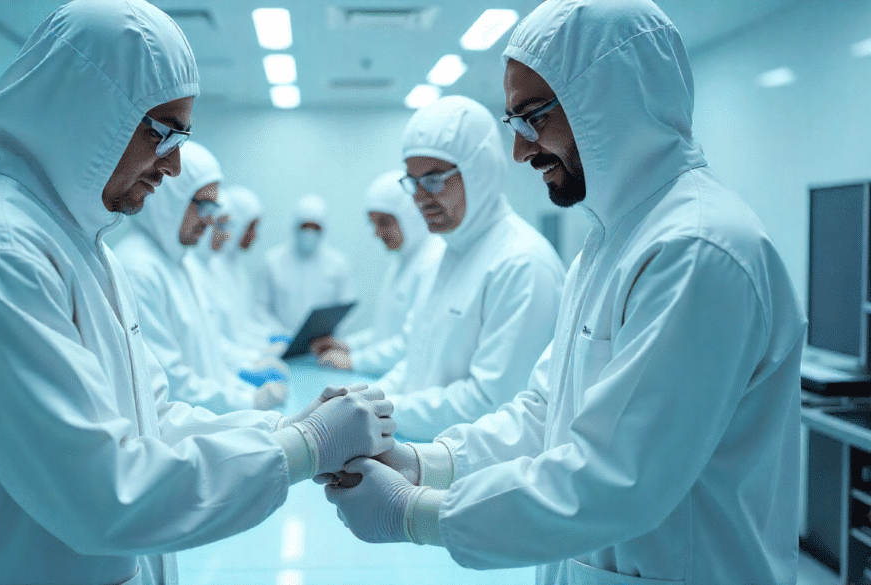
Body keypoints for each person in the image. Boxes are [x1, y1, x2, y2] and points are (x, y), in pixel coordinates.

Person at [0, 2, 396, 583]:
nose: (174, 165)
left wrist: (285, 431)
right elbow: (103, 493)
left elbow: (150, 420)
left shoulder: (77, 243)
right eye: (162, 132)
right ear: (85, 110)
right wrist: (303, 447)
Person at [324, 1, 807, 583]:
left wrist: (419, 512)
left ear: (611, 98)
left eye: (534, 117)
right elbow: (546, 412)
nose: (522, 150)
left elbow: (615, 479)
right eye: (514, 123)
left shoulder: (696, 249)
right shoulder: (611, 243)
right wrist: (425, 462)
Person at [370, 95, 566, 441]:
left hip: (473, 476)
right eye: (412, 181)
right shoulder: (443, 257)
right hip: (420, 454)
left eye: (433, 179)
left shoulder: (522, 263)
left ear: (479, 172)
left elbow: (493, 403)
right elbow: (415, 362)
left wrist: (380, 416)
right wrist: (364, 402)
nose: (418, 197)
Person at [114, 142, 286, 412]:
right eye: (203, 205)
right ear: (169, 197)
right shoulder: (138, 269)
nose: (209, 221)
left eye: (213, 209)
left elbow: (209, 360)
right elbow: (169, 381)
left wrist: (243, 389)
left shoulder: (181, 263)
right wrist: (247, 400)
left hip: (207, 419)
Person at [311, 170, 445, 376]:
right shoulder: (403, 260)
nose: (376, 233)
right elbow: (387, 332)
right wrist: (347, 345)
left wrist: (354, 361)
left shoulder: (433, 261)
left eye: (383, 222)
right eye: (373, 224)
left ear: (411, 214)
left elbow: (412, 343)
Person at [208, 184, 292, 351]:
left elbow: (243, 324)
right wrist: (262, 351)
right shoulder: (213, 268)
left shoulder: (235, 268)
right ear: (236, 223)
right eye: (251, 227)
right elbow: (225, 336)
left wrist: (272, 338)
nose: (254, 235)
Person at [258, 194, 357, 333]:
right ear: (294, 225)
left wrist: (326, 336)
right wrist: (280, 334)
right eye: (304, 226)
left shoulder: (338, 263)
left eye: (315, 227)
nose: (309, 233)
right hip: (281, 346)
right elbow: (262, 308)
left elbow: (347, 309)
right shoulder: (273, 261)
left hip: (324, 347)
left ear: (324, 228)